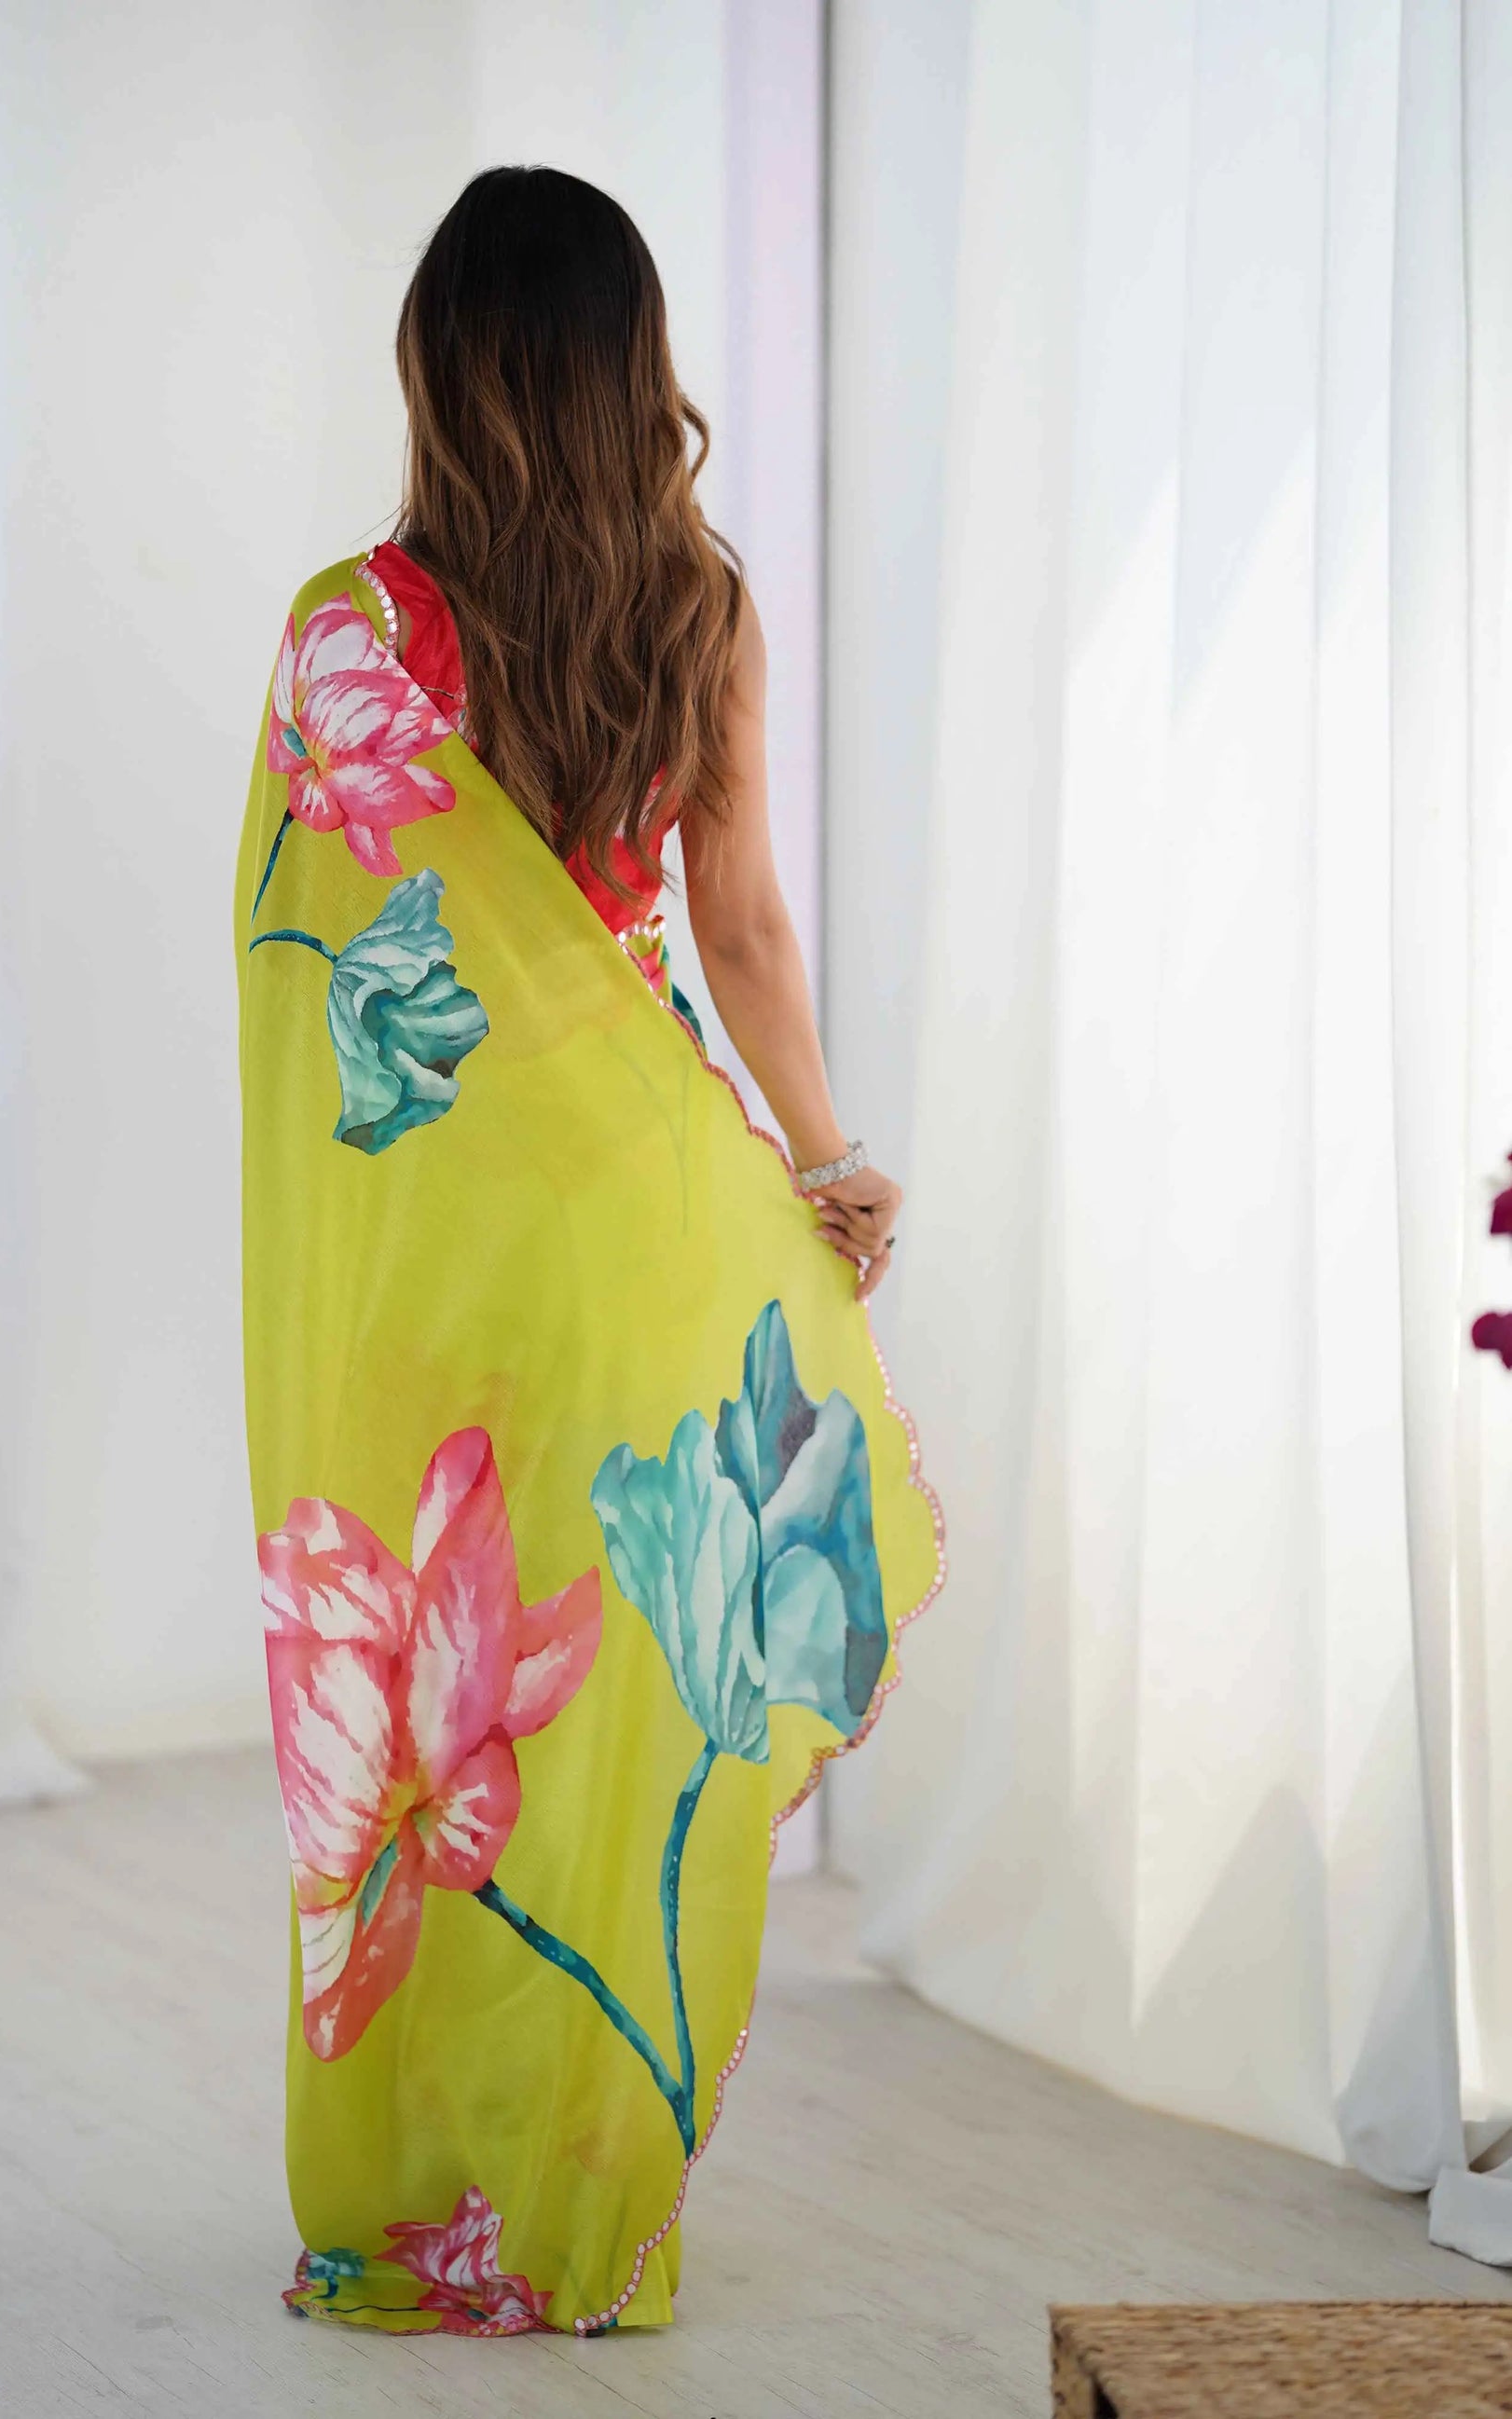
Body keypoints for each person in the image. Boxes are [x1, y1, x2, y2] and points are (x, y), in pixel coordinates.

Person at [235, 165, 943, 2340]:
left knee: (442, 1703)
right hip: (646, 1217)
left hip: (459, 1246)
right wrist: (822, 1157)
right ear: (636, 371)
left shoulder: (354, 628)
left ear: (440, 369)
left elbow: (333, 979)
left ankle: (419, 2204)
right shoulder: (694, 606)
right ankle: (578, 2193)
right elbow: (738, 925)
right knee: (604, 1716)